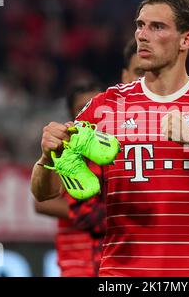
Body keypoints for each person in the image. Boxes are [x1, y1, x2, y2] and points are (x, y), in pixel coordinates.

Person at [31, 0, 189, 277]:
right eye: (140, 25)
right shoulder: (105, 107)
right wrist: (47, 158)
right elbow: (46, 193)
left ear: (185, 40)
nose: (142, 35)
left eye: (157, 27)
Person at [33, 40, 144, 276]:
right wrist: (96, 213)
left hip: (121, 261)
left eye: (96, 104)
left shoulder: (120, 143)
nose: (93, 111)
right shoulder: (66, 145)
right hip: (78, 261)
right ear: (73, 114)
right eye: (83, 107)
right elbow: (42, 200)